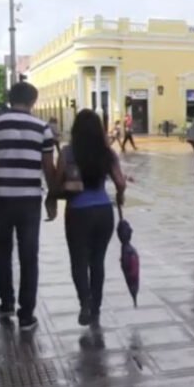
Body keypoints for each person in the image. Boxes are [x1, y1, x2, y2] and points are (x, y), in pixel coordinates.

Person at [0, 82, 56, 331]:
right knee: (29, 255)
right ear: (33, 101)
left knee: (4, 251)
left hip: (0, 198)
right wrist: (52, 199)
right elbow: (48, 169)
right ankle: (26, 314)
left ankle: (6, 303)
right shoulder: (43, 128)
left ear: (9, 98)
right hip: (29, 199)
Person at [53, 109, 126, 326]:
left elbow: (57, 183)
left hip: (77, 211)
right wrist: (119, 197)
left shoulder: (67, 152)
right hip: (104, 211)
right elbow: (120, 183)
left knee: (78, 261)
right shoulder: (107, 153)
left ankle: (84, 303)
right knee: (97, 261)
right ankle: (96, 306)